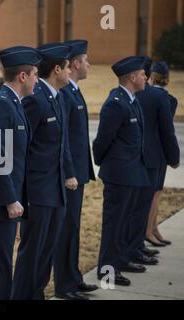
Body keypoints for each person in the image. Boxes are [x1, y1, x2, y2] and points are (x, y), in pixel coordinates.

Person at [12, 43, 75, 300]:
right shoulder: (35, 100)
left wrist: (68, 174)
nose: (70, 72)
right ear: (57, 69)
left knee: (47, 250)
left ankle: (36, 293)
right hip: (37, 191)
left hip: (55, 188)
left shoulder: (57, 97)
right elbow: (23, 148)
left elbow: (62, 143)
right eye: (68, 67)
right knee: (33, 252)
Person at [0, 46, 42, 300]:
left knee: (3, 266)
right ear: (23, 76)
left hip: (5, 202)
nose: (38, 79)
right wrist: (9, 199)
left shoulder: (13, 103)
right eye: (35, 74)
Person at [93, 56, 150, 286]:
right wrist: (105, 163)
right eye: (143, 74)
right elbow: (102, 140)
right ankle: (107, 271)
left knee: (124, 222)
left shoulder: (132, 100)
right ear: (133, 77)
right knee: (114, 224)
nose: (146, 77)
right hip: (119, 175)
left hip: (131, 173)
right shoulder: (116, 103)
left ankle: (121, 260)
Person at [53, 39, 98, 300]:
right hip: (68, 175)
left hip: (77, 173)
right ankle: (64, 284)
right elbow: (65, 140)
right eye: (86, 60)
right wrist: (70, 171)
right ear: (76, 63)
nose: (89, 65)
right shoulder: (64, 94)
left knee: (73, 228)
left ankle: (73, 277)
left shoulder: (73, 90)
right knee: (66, 228)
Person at [144, 60, 180, 247]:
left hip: (149, 150)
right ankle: (149, 230)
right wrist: (174, 157)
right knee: (155, 194)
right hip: (159, 152)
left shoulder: (145, 95)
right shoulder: (170, 100)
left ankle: (153, 228)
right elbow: (167, 132)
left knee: (153, 194)